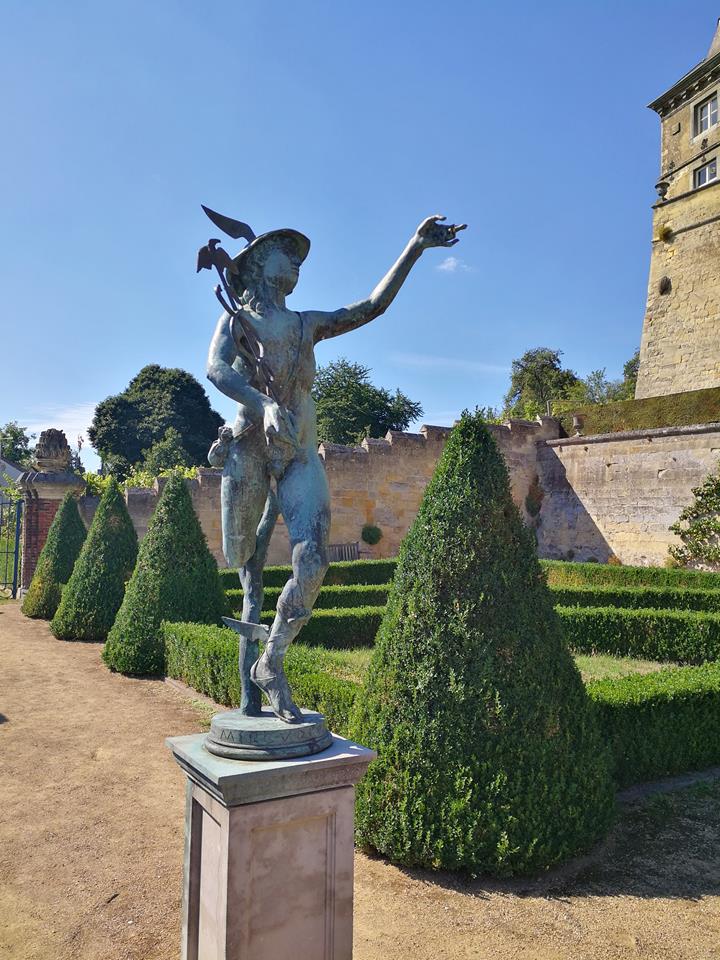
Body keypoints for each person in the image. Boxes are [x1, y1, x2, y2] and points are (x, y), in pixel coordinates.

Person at [206, 214, 465, 722]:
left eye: (298, 257)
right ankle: (250, 676)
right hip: (250, 451)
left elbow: (370, 308)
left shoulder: (307, 325)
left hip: (300, 455)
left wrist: (414, 247)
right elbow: (215, 369)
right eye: (286, 253)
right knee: (241, 556)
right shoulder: (236, 323)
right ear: (257, 264)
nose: (296, 263)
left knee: (313, 561)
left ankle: (270, 663)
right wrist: (263, 403)